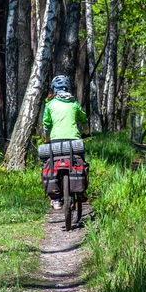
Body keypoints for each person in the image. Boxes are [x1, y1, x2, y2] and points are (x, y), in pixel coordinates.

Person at [43, 75, 90, 209]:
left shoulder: (50, 104)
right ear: (68, 88)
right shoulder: (74, 103)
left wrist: (47, 140)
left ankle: (56, 199)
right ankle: (81, 191)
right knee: (80, 161)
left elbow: (46, 125)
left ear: (54, 89)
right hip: (74, 141)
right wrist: (86, 133)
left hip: (56, 142)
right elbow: (84, 120)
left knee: (52, 163)